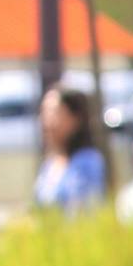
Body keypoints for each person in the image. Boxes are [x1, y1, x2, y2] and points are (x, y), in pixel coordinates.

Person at [34, 86, 108, 214]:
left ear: (75, 119)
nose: (46, 121)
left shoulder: (87, 163)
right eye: (44, 112)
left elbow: (86, 213)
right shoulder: (50, 164)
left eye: (53, 113)